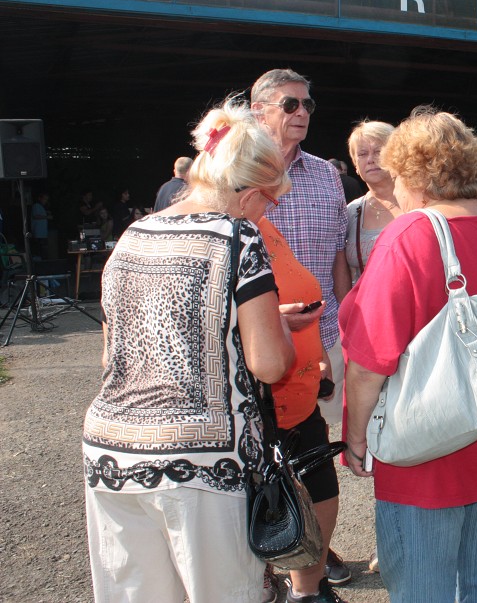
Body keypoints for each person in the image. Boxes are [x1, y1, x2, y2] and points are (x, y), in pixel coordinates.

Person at [82, 96, 296, 603]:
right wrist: (282, 327)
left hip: (111, 448)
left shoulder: (132, 235)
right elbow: (269, 364)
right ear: (247, 193)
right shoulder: (238, 238)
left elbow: (112, 353)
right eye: (271, 198)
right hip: (203, 463)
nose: (271, 210)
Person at [340, 106, 477, 603]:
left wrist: (356, 436)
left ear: (413, 173)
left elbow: (368, 363)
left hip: (425, 442)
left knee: (421, 587)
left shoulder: (409, 235)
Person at [251, 68, 353, 590]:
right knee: (257, 448)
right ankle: (272, 550)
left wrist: (342, 319)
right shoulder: (232, 171)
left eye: (309, 105)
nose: (303, 113)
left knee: (315, 448)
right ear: (258, 111)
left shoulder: (324, 173)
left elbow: (337, 253)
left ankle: (309, 550)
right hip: (253, 341)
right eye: (291, 104)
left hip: (321, 336)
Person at [257, 215, 347, 603]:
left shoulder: (261, 223)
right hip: (256, 404)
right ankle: (268, 582)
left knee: (320, 490)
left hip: (300, 394)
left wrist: (318, 353)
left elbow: (299, 289)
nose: (276, 197)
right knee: (263, 503)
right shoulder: (216, 233)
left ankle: (308, 590)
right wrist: (273, 323)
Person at [343, 121, 397, 284]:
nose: (370, 160)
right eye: (362, 154)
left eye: (378, 151)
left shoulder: (419, 205)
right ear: (356, 165)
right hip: (366, 307)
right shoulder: (351, 211)